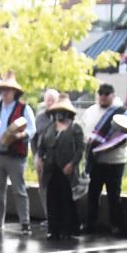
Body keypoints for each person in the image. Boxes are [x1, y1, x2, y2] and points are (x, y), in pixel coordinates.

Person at [0, 75, 35, 234]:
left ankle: (25, 223)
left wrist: (20, 136)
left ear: (14, 92)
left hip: (15, 155)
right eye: (2, 90)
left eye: (7, 90)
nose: (4, 93)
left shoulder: (24, 108)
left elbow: (32, 130)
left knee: (19, 190)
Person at [79, 83, 127, 235]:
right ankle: (90, 223)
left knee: (114, 195)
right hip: (95, 161)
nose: (102, 96)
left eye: (106, 94)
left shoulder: (123, 112)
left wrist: (110, 146)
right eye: (100, 93)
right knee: (93, 194)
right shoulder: (90, 111)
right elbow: (83, 131)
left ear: (113, 95)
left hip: (115, 161)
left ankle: (116, 225)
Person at [35, 95, 84, 241]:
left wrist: (72, 164)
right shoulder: (50, 128)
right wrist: (39, 158)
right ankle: (53, 229)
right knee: (52, 199)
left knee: (67, 200)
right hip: (51, 170)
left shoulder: (75, 128)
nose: (59, 114)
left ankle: (67, 229)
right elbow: (42, 145)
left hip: (67, 170)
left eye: (62, 111)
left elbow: (80, 150)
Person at [32, 88, 60, 224]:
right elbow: (34, 138)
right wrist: (36, 156)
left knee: (57, 189)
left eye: (52, 100)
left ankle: (58, 217)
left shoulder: (63, 116)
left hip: (57, 159)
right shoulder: (39, 117)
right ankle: (49, 216)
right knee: (43, 189)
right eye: (48, 99)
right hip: (41, 159)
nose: (50, 102)